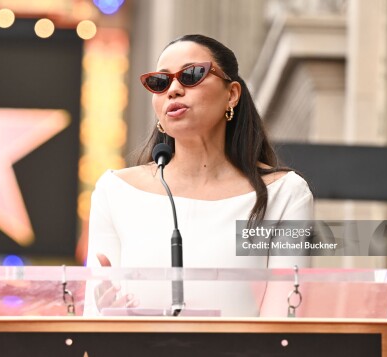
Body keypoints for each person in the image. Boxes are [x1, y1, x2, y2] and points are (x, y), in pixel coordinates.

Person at [84, 34, 313, 317]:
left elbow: (284, 326)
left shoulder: (285, 193)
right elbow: (93, 315)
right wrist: (110, 321)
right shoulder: (115, 191)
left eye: (191, 75)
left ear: (232, 94)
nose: (174, 90)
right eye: (160, 82)